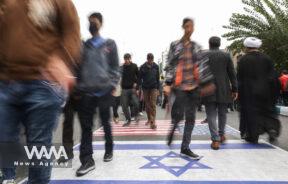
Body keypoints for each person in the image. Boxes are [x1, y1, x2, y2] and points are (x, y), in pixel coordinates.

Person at [0, 0, 81, 183]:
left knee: (38, 149)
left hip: (43, 82)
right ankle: (8, 178)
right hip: (5, 82)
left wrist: (63, 59)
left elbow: (71, 31)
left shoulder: (60, 2)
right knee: (4, 140)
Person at [76, 12, 120, 177]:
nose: (91, 24)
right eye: (89, 22)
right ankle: (87, 160)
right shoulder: (83, 46)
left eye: (94, 21)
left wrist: (112, 84)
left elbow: (116, 67)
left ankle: (109, 149)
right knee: (86, 127)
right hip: (86, 92)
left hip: (104, 91)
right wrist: (79, 87)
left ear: (100, 23)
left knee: (105, 122)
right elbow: (79, 68)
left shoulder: (110, 44)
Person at [164, 17, 204, 159]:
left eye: (191, 27)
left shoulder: (197, 47)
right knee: (178, 115)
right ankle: (173, 127)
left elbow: (201, 66)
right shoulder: (175, 45)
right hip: (179, 86)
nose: (189, 29)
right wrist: (168, 84)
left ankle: (185, 147)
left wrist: (206, 84)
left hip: (193, 87)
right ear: (183, 27)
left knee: (191, 118)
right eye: (186, 26)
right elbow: (169, 65)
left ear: (193, 28)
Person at [238, 37, 281, 144]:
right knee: (268, 112)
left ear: (246, 47)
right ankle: (272, 129)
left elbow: (240, 78)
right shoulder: (267, 58)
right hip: (266, 91)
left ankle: (252, 135)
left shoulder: (243, 60)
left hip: (249, 93)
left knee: (251, 114)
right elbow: (273, 77)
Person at [202, 36, 238, 150]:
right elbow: (232, 73)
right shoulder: (226, 55)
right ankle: (221, 135)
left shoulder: (204, 56)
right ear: (219, 44)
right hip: (224, 89)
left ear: (209, 44)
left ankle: (215, 140)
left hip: (208, 89)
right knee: (223, 113)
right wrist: (235, 89)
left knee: (211, 115)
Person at [139, 53, 160, 129]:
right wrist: (139, 88)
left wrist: (158, 89)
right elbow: (139, 78)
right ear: (147, 59)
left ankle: (152, 121)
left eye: (152, 60)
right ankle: (149, 119)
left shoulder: (156, 66)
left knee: (153, 104)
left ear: (153, 59)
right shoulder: (143, 67)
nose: (151, 61)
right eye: (149, 59)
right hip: (145, 88)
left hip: (154, 87)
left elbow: (158, 79)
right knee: (147, 105)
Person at [120, 53, 140, 126]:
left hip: (132, 89)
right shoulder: (122, 67)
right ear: (124, 59)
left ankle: (136, 116)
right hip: (124, 89)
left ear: (130, 59)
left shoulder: (134, 66)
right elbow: (118, 76)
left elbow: (139, 77)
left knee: (136, 103)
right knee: (124, 106)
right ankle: (128, 120)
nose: (127, 60)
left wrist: (136, 86)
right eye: (125, 59)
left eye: (128, 59)